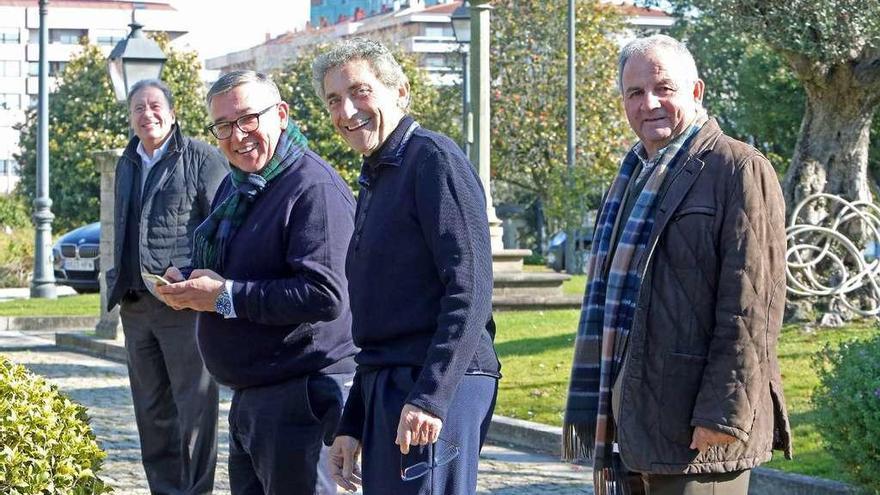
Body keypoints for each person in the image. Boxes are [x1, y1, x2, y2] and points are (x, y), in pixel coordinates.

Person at [562, 34, 792, 495]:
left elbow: (752, 307)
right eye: (634, 93)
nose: (649, 103)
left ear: (696, 91)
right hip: (635, 422)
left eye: (663, 88)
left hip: (699, 433)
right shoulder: (630, 176)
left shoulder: (737, 169)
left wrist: (722, 415)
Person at [312, 38, 501, 495]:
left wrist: (432, 397)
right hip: (390, 383)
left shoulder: (433, 160)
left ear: (400, 91)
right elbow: (379, 325)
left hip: (436, 381)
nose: (346, 110)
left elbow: (469, 289)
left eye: (360, 91)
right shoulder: (377, 174)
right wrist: (352, 421)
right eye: (334, 100)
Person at [156, 70, 358, 495]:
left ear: (281, 115)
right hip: (254, 397)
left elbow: (324, 294)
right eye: (224, 126)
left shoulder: (313, 188)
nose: (238, 135)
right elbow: (240, 263)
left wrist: (224, 298)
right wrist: (190, 277)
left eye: (249, 118)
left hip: (302, 395)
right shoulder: (241, 185)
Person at [105, 79, 227, 494]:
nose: (147, 114)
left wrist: (195, 272)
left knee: (194, 414)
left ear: (172, 113)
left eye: (155, 106)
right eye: (138, 108)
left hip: (183, 307)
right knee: (151, 413)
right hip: (135, 305)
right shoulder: (127, 162)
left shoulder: (201, 157)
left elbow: (223, 227)